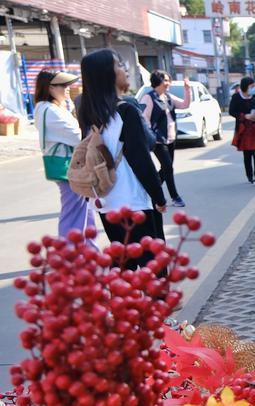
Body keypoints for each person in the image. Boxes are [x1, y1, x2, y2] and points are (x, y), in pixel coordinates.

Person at [77, 49, 167, 270]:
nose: (125, 69)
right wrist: (159, 195)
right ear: (108, 74)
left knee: (123, 259)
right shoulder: (126, 111)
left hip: (106, 199)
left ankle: (124, 302)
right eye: (119, 65)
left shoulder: (88, 113)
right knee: (150, 259)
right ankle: (160, 300)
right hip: (133, 197)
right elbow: (141, 159)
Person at [34, 70, 98, 244]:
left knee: (84, 210)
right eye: (62, 85)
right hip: (70, 167)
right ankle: (70, 254)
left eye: (68, 84)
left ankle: (89, 252)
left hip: (71, 166)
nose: (68, 88)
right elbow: (79, 136)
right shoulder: (50, 110)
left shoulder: (48, 107)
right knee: (74, 212)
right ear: (49, 88)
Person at [141, 70, 191, 207]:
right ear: (158, 82)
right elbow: (144, 120)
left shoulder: (168, 96)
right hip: (158, 139)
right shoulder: (149, 98)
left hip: (170, 137)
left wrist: (187, 90)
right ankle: (175, 196)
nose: (169, 83)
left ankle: (151, 190)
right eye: (166, 81)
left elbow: (184, 105)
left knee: (165, 168)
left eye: (169, 80)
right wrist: (152, 135)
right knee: (168, 167)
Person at [229, 77, 255, 185]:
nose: (253, 88)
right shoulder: (236, 97)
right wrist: (245, 116)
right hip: (244, 129)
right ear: (245, 87)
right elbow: (232, 111)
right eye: (252, 86)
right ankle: (250, 176)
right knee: (247, 154)